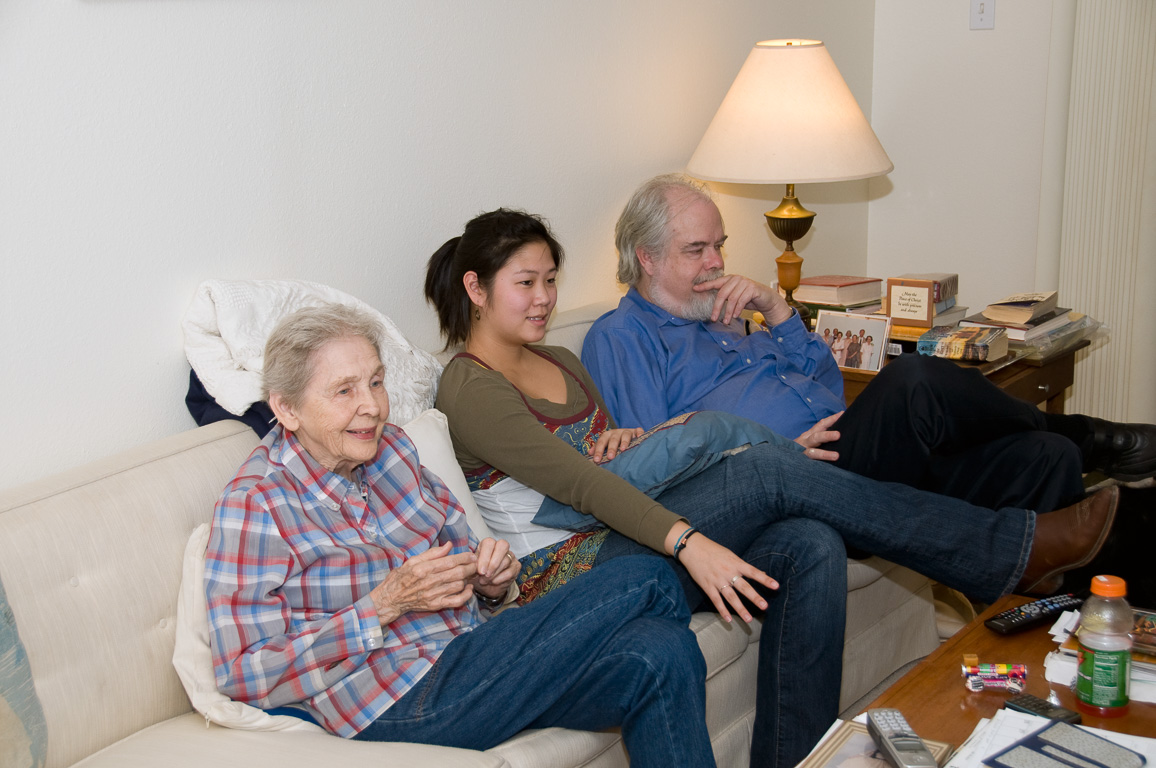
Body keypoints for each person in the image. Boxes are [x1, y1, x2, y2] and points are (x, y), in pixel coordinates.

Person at [424, 208, 1118, 768]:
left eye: (550, 280)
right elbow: (577, 484)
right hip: (568, 575)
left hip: (623, 529)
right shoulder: (469, 385)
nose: (544, 297)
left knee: (810, 542)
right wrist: (688, 538)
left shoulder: (558, 359)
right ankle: (1003, 551)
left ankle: (795, 759)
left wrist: (632, 437)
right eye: (525, 283)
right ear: (476, 290)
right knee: (768, 468)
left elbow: (609, 456)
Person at [203, 304, 717, 767]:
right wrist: (381, 606)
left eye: (376, 383)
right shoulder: (257, 504)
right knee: (646, 576)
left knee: (661, 651)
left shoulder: (395, 453)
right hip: (389, 699)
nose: (373, 407)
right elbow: (244, 674)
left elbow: (471, 563)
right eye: (344, 390)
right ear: (287, 409)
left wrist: (493, 580)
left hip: (471, 654)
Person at [582, 173, 1156, 515]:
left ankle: (1051, 626)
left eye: (720, 245)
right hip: (796, 475)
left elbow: (826, 384)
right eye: (696, 250)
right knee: (910, 378)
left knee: (1040, 459)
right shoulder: (621, 336)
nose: (717, 262)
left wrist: (777, 309)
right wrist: (769, 455)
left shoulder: (727, 310)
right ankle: (1091, 436)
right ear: (647, 258)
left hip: (850, 446)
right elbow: (656, 470)